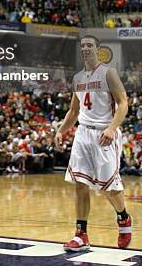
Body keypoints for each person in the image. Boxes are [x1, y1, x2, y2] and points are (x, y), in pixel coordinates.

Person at [55, 35, 132, 251]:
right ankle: (81, 235)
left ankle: (123, 218)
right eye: (83, 46)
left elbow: (123, 103)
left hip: (104, 134)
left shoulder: (109, 73)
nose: (85, 49)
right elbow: (73, 110)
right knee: (80, 184)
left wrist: (112, 128)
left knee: (109, 187)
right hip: (83, 134)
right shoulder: (78, 78)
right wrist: (61, 131)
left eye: (90, 45)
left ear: (98, 49)